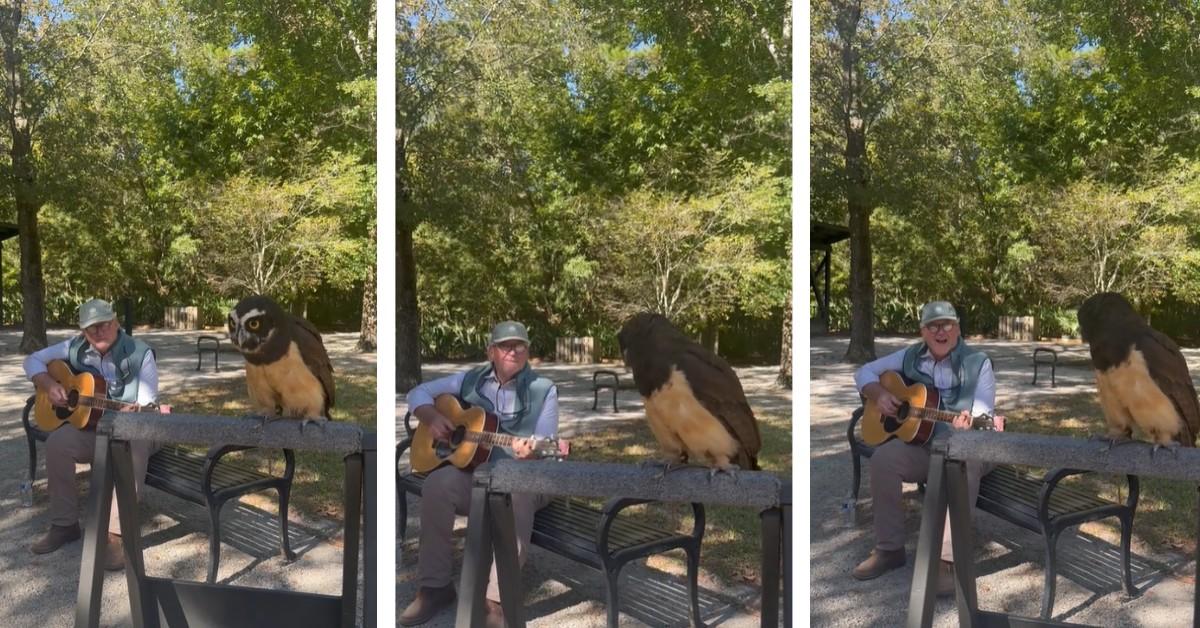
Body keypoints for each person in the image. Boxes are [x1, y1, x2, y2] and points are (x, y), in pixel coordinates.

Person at [400, 321, 559, 628]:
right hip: (479, 472)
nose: (513, 351)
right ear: (491, 352)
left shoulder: (544, 390)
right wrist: (431, 416)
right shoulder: (470, 380)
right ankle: (435, 587)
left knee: (515, 492)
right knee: (437, 485)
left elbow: (546, 444)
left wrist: (533, 450)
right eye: (505, 346)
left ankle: (496, 601)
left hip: (527, 475)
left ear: (527, 351)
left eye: (520, 345)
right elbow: (417, 392)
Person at [851, 301, 1006, 595]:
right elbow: (864, 373)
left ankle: (948, 561)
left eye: (947, 324)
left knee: (964, 462)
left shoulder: (979, 363)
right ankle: (889, 549)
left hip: (971, 445)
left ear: (958, 328)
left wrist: (969, 426)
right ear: (922, 331)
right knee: (884, 459)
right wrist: (880, 394)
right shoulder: (910, 356)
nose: (940, 331)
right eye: (932, 326)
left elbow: (985, 416)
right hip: (926, 445)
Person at [24, 298, 159, 571]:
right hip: (94, 427)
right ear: (83, 331)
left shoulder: (139, 353)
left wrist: (133, 413)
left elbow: (147, 405)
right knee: (58, 444)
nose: (98, 331)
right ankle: (65, 525)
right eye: (91, 328)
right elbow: (32, 360)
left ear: (116, 322)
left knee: (134, 441)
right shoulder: (74, 347)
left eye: (104, 324)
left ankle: (115, 535)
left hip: (135, 427)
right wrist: (49, 384)